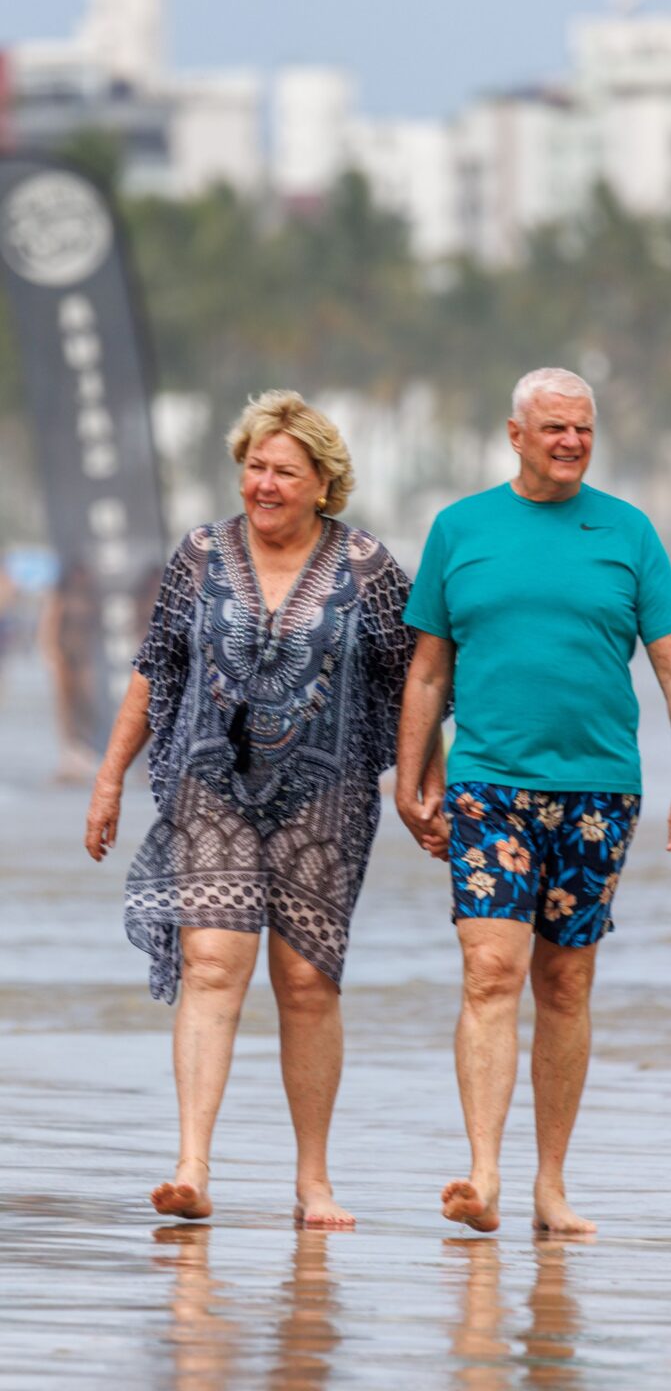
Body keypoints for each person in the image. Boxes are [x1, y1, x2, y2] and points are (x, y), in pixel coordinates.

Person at [85, 390, 442, 1225]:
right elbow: (155, 666)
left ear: (323, 482)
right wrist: (108, 780)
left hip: (327, 793)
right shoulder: (199, 555)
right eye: (255, 467)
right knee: (213, 962)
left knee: (307, 981)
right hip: (210, 781)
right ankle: (192, 1166)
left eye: (284, 471)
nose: (265, 484)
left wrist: (429, 787)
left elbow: (418, 684)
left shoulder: (368, 568)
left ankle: (313, 1182)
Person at [396, 367, 671, 1236]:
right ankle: (484, 1174)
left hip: (600, 789)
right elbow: (427, 670)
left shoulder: (629, 531)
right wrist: (411, 774)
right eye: (554, 428)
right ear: (516, 435)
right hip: (489, 782)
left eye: (583, 429)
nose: (571, 442)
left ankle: (551, 1185)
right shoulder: (461, 529)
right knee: (490, 969)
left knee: (566, 982)